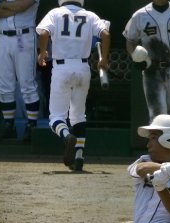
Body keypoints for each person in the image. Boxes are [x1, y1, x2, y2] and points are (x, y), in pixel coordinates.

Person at [36, 0, 110, 171]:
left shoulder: (55, 13)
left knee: (56, 118)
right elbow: (105, 34)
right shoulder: (90, 15)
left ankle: (67, 135)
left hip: (62, 67)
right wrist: (104, 59)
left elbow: (44, 32)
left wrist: (42, 52)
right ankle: (79, 156)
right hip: (83, 67)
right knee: (78, 116)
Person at [0, 0, 41, 142]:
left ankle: (31, 126)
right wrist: (14, 9)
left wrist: (4, 4)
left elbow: (22, 6)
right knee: (4, 84)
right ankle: (8, 125)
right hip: (3, 38)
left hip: (23, 37)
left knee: (27, 83)